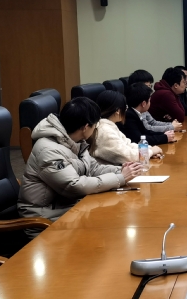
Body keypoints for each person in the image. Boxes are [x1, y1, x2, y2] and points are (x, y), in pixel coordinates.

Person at [17, 97, 144, 237]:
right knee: (111, 224)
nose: (95, 129)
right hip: (43, 219)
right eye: (95, 126)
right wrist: (120, 178)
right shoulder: (48, 150)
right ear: (85, 127)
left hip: (67, 208)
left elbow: (93, 168)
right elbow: (74, 186)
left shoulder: (75, 141)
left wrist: (122, 170)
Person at [89, 90, 163, 165]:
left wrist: (148, 150)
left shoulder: (108, 126)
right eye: (125, 107)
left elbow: (128, 144)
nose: (126, 110)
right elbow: (128, 157)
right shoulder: (105, 131)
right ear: (118, 111)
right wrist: (150, 151)